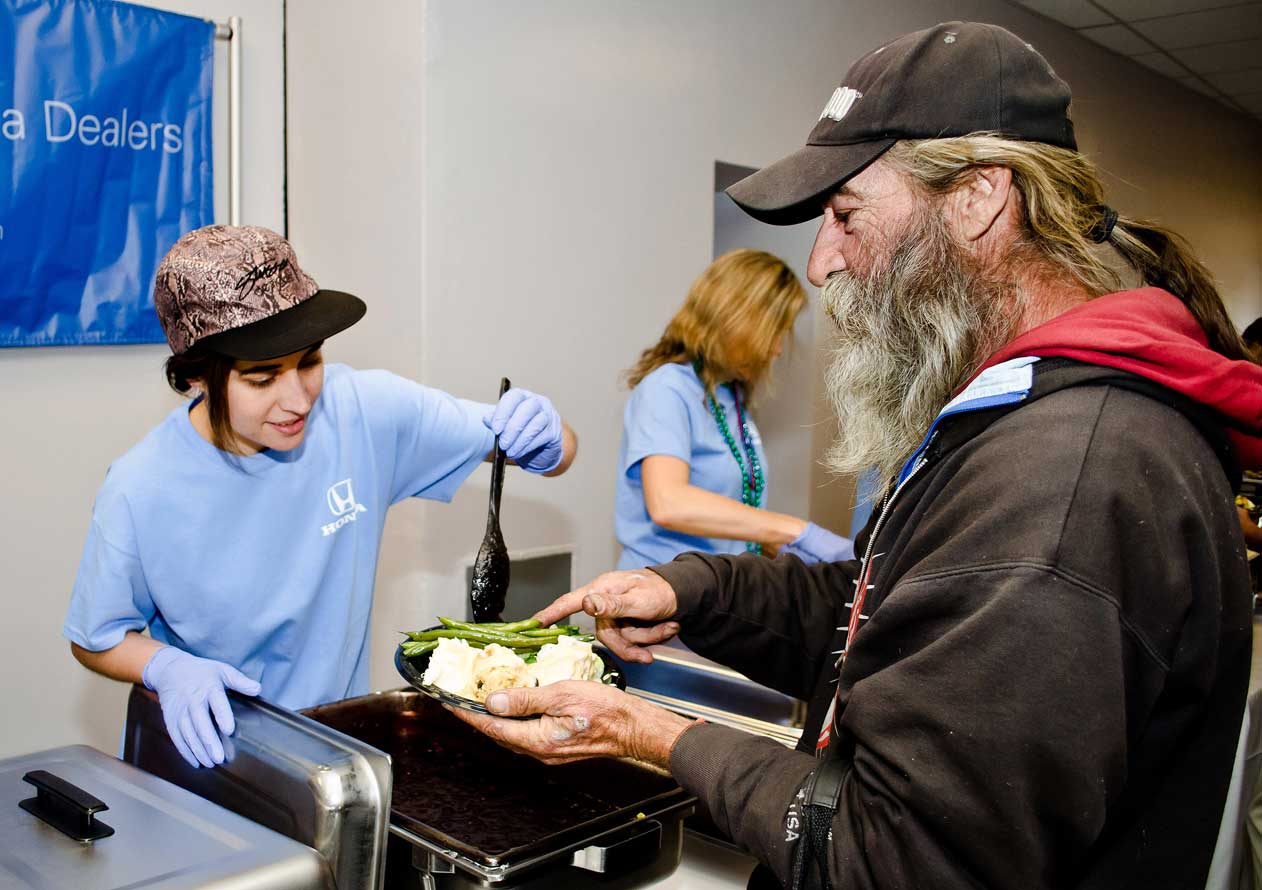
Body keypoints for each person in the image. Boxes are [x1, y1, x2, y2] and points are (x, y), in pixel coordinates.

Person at [452, 21, 1262, 890]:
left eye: (845, 216)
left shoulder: (1067, 478)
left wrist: (647, 733)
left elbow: (899, 859)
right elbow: (878, 620)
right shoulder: (1015, 420)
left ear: (979, 198)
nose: (820, 263)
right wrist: (695, 591)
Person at [64, 224, 577, 770]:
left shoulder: (363, 411)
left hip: (335, 750)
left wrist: (546, 437)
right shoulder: (142, 486)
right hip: (213, 758)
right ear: (197, 377)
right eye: (262, 378)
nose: (298, 400)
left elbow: (556, 451)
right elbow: (96, 637)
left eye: (309, 362)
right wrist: (167, 667)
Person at [616, 248, 851, 570]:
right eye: (773, 332)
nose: (777, 349)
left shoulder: (729, 395)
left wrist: (802, 555)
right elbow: (668, 503)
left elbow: (732, 517)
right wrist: (799, 532)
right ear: (736, 321)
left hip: (717, 584)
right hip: (662, 584)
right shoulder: (667, 389)